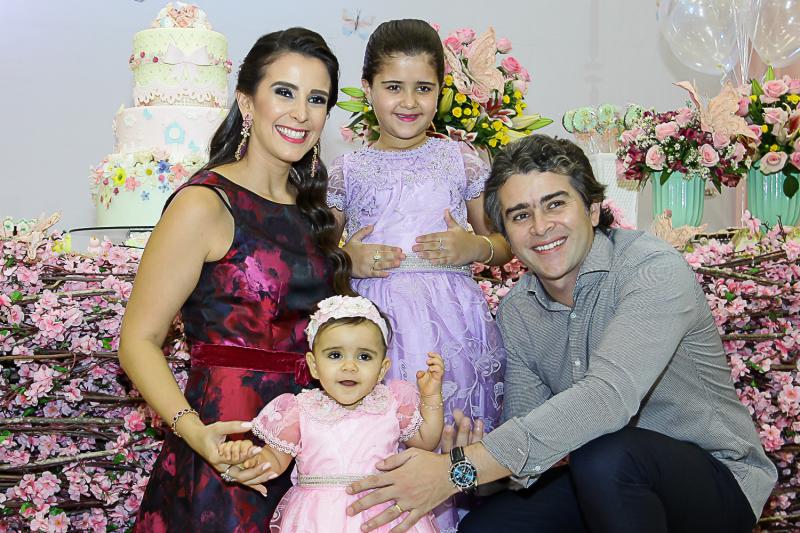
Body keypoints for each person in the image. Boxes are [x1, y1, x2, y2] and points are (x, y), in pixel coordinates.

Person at [343, 134, 778, 533]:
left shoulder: (650, 270)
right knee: (488, 527)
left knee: (606, 455)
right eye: (520, 215)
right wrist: (475, 470)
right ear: (506, 233)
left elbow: (607, 398)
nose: (540, 227)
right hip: (602, 483)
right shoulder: (518, 311)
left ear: (592, 209)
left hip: (716, 483)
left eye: (555, 205)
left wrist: (456, 470)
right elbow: (528, 454)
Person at [118, 28, 351, 532]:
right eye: (284, 92)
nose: (301, 113)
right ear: (247, 102)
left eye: (317, 99)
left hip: (309, 453)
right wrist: (195, 433)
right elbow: (138, 340)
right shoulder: (204, 204)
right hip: (226, 442)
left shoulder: (319, 216)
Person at [328, 15, 509, 455]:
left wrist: (475, 246)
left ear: (440, 91)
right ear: (368, 88)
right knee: (384, 443)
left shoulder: (461, 160)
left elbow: (505, 244)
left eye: (423, 88)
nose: (409, 102)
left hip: (454, 328)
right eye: (393, 87)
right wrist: (346, 258)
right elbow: (313, 257)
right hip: (376, 330)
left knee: (458, 439)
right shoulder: (347, 170)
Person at [219, 295, 444, 532]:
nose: (349, 366)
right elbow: (274, 461)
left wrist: (431, 398)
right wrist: (250, 459)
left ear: (382, 369)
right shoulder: (299, 410)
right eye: (335, 355)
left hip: (384, 515)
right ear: (314, 365)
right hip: (318, 520)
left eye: (364, 356)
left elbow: (426, 441)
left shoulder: (392, 402)